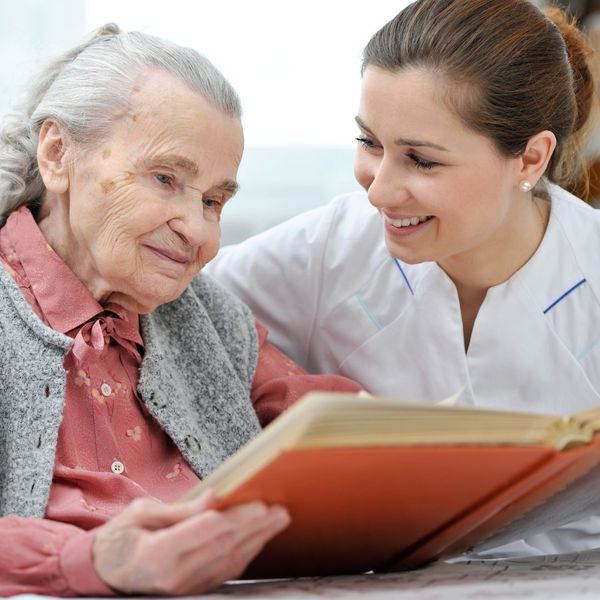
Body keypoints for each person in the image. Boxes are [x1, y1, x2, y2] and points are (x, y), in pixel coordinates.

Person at [207, 0, 600, 557]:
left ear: (531, 160)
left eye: (422, 160)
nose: (378, 190)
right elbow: (168, 310)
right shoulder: (328, 252)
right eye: (370, 143)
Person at [0, 24, 362, 596]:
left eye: (214, 200)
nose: (197, 229)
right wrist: (93, 559)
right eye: (166, 179)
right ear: (58, 154)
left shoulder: (206, 317)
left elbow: (330, 427)